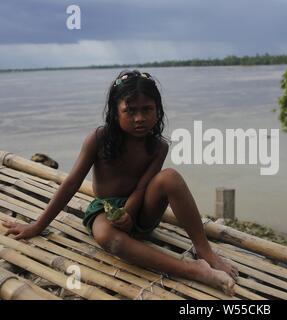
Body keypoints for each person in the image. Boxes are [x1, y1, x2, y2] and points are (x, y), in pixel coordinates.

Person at [2, 70, 238, 295]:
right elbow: (72, 183)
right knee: (106, 237)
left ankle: (205, 251)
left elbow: (143, 186)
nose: (139, 118)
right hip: (105, 210)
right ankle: (192, 269)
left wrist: (129, 212)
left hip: (142, 210)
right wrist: (37, 226)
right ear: (115, 112)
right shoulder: (99, 139)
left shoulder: (158, 146)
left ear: (158, 111)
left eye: (147, 109)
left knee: (170, 177)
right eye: (130, 111)